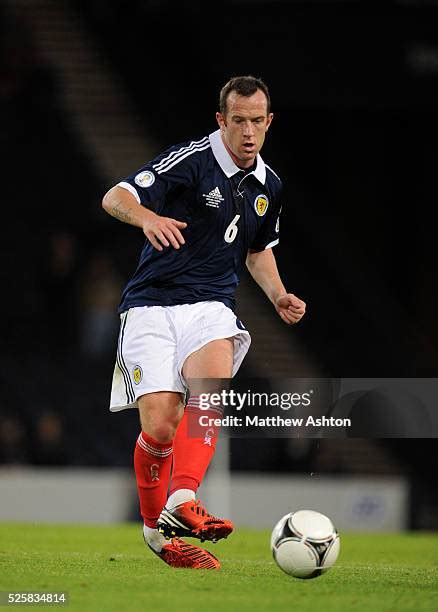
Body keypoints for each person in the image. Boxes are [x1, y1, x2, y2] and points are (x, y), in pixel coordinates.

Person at [102, 75, 306, 570]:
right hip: (151, 305)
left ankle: (182, 498)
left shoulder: (269, 186)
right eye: (238, 121)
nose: (248, 131)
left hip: (210, 305)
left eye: (258, 121)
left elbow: (257, 251)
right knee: (161, 427)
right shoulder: (190, 160)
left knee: (210, 388)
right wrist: (146, 218)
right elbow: (115, 196)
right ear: (222, 120)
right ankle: (157, 537)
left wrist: (278, 294)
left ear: (269, 121)